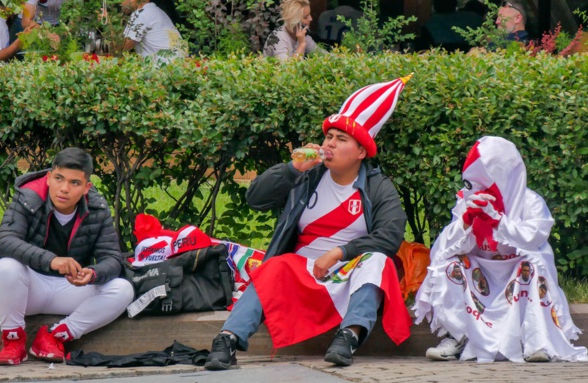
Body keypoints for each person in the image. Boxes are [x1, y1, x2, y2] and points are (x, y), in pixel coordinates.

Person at [204, 74, 413, 370]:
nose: (330, 144)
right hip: (303, 269)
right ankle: (227, 339)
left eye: (342, 140)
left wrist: (339, 253)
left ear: (361, 152)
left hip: (350, 270)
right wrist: (292, 168)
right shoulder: (307, 176)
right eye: (329, 136)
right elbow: (256, 199)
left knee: (378, 261)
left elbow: (389, 237)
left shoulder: (378, 187)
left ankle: (348, 338)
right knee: (273, 266)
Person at [414, 136, 588, 363]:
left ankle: (536, 341)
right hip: (481, 276)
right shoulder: (467, 200)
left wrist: (497, 220)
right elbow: (441, 251)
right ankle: (457, 336)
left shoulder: (530, 201)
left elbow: (533, 238)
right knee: (449, 266)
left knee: (532, 267)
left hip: (515, 273)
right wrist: (466, 222)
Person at [0, 147, 134, 366]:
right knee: (6, 267)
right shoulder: (28, 198)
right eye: (59, 179)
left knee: (123, 290)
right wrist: (52, 260)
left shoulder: (97, 208)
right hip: (28, 289)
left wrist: (94, 273)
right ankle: (13, 340)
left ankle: (55, 336)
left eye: (74, 183)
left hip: (70, 289)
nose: (64, 189)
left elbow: (112, 258)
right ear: (48, 178)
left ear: (86, 187)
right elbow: (6, 241)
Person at [418, 0, 484, 52]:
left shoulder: (432, 22)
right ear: (455, 3)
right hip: (473, 54)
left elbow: (422, 48)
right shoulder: (474, 18)